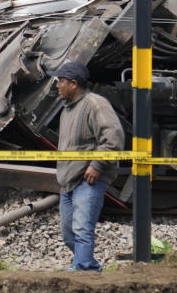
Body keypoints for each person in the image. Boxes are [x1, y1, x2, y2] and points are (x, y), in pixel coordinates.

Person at [52, 60, 125, 272]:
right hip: (68, 180)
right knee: (68, 233)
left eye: (60, 81)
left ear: (73, 84)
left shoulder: (95, 104)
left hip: (88, 179)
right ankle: (89, 266)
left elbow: (114, 138)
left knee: (82, 228)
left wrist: (97, 164)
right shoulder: (67, 109)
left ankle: (82, 270)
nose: (57, 85)